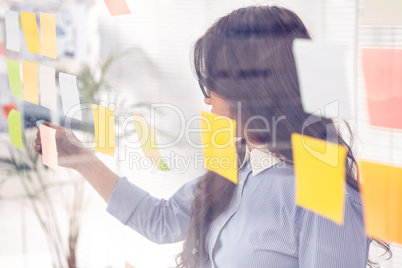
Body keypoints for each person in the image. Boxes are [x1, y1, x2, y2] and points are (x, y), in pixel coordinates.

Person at [34, 5, 390, 268]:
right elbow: (159, 221)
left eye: (211, 85)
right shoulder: (235, 170)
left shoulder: (325, 196)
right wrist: (81, 159)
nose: (207, 98)